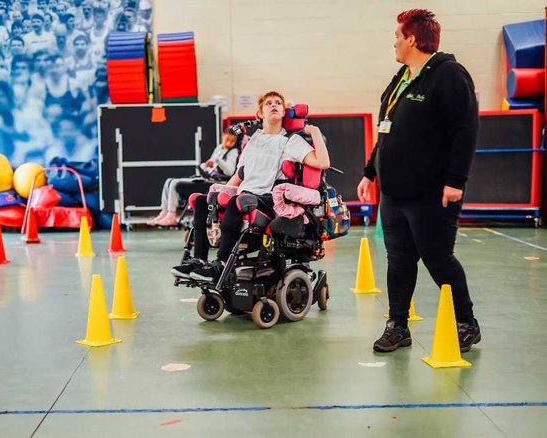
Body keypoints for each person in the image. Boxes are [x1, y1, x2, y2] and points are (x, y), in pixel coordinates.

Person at [357, 9, 480, 353]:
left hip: (432, 193)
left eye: (397, 36)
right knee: (398, 259)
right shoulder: (402, 77)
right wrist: (371, 170)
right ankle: (398, 325)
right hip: (394, 193)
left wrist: (456, 181)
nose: (394, 43)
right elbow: (387, 129)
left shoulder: (449, 75)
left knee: (438, 258)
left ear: (412, 39)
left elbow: (465, 131)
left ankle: (466, 323)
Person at [172, 91, 330, 282]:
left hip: (267, 199)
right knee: (201, 200)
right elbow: (240, 174)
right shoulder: (253, 141)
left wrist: (314, 133)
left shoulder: (290, 141)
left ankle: (220, 265)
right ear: (260, 113)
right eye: (268, 103)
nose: (274, 105)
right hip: (246, 195)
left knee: (237, 202)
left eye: (278, 103)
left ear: (283, 111)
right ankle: (199, 260)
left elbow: (323, 162)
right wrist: (216, 194)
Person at [149, 128, 240, 227]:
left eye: (232, 141)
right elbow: (208, 165)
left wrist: (217, 160)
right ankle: (164, 212)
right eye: (227, 140)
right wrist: (205, 165)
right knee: (169, 181)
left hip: (215, 181)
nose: (229, 143)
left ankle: (171, 215)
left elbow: (229, 171)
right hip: (207, 176)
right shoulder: (219, 148)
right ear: (223, 136)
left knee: (175, 183)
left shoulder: (233, 152)